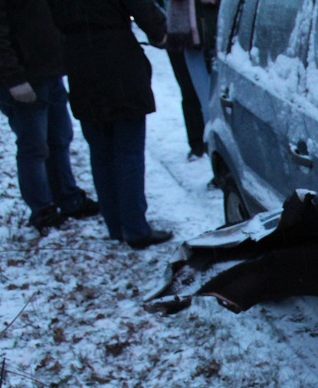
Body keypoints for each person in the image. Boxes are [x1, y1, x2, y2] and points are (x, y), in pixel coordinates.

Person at [0, 0, 101, 235]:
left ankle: (69, 199)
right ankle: (42, 210)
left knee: (60, 138)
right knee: (34, 147)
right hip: (21, 78)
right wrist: (13, 78)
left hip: (49, 72)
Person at [47, 0, 173, 249]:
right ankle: (135, 228)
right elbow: (145, 10)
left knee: (101, 151)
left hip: (80, 64)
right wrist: (160, 34)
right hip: (118, 63)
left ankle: (116, 226)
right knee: (128, 152)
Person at [163, 0, 220, 160]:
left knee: (213, 99)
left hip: (213, 31)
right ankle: (200, 145)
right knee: (194, 94)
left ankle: (214, 151)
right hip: (184, 34)